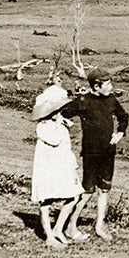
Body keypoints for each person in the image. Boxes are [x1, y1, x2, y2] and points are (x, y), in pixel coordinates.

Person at [59, 67, 129, 240]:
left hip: (108, 152)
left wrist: (120, 132)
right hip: (91, 153)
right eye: (107, 84)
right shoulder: (83, 101)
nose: (111, 87)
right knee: (87, 190)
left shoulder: (111, 100)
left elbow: (124, 116)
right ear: (96, 86)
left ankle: (99, 226)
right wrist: (64, 123)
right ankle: (71, 226)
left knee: (104, 189)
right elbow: (62, 113)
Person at [29, 79, 83, 248]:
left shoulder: (57, 124)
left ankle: (58, 228)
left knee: (74, 196)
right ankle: (49, 236)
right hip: (48, 168)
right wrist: (60, 124)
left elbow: (66, 147)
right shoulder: (44, 126)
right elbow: (55, 140)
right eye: (57, 110)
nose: (60, 112)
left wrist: (72, 165)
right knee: (46, 201)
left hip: (62, 165)